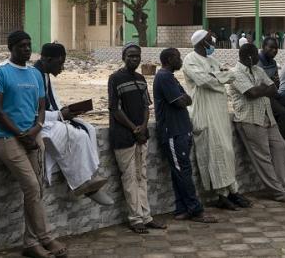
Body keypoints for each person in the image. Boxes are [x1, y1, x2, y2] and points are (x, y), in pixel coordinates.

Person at [0, 31, 66, 258]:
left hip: (32, 136)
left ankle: (31, 242)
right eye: (21, 45)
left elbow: (41, 108)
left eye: (29, 45)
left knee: (37, 189)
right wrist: (21, 134)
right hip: (7, 138)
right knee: (31, 187)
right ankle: (46, 237)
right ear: (10, 48)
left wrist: (35, 130)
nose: (26, 49)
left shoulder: (35, 74)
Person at [33, 43, 112, 205]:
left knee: (88, 128)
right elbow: (34, 111)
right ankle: (81, 184)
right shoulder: (35, 76)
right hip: (40, 124)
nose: (62, 68)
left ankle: (89, 178)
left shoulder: (44, 74)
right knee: (78, 135)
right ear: (48, 59)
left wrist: (67, 112)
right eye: (60, 63)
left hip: (51, 118)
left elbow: (51, 103)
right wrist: (60, 115)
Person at [183, 29, 252, 211]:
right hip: (204, 113)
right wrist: (221, 77)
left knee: (227, 151)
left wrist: (219, 76)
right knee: (214, 153)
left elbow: (230, 75)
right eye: (208, 40)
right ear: (200, 43)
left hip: (220, 113)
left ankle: (233, 191)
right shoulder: (190, 59)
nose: (212, 42)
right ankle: (221, 195)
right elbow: (203, 80)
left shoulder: (212, 60)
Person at [229, 43, 285, 202]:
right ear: (249, 57)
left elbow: (273, 89)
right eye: (256, 55)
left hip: (267, 117)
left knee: (280, 147)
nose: (258, 57)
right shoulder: (234, 73)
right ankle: (279, 193)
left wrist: (260, 90)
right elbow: (251, 93)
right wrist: (262, 89)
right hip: (250, 119)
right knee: (263, 157)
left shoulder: (258, 70)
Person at [107, 43, 166, 233]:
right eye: (131, 56)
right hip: (124, 137)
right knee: (130, 178)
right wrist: (134, 129)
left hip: (140, 135)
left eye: (137, 56)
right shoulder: (115, 79)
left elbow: (146, 107)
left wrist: (142, 127)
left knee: (142, 176)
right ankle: (135, 219)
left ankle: (146, 217)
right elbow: (115, 109)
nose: (134, 59)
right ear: (123, 57)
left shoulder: (141, 79)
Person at [153, 48, 217, 223]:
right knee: (183, 172)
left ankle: (183, 209)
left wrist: (184, 99)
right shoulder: (164, 77)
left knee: (179, 172)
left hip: (181, 130)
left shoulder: (170, 77)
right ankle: (195, 210)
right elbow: (182, 101)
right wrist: (183, 99)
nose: (180, 60)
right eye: (178, 58)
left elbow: (188, 99)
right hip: (173, 133)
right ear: (169, 59)